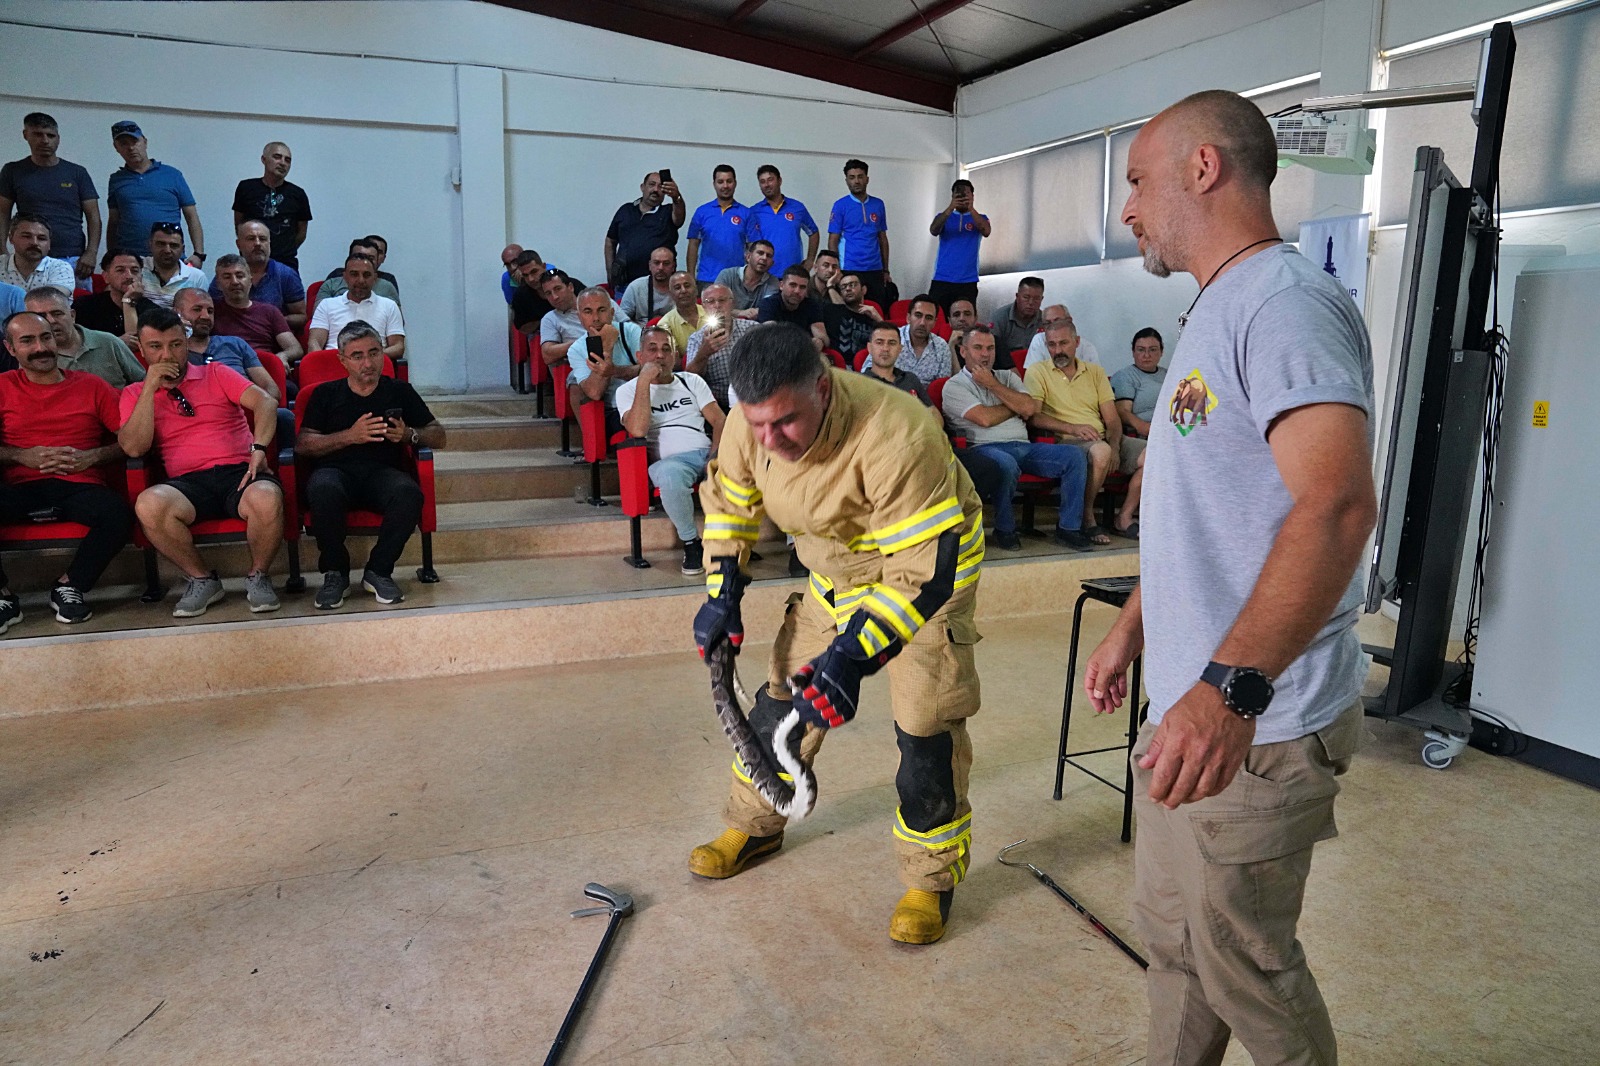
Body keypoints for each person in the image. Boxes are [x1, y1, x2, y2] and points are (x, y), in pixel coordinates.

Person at [1085, 89, 1378, 1066]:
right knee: (1176, 949)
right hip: (1190, 708)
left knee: (1246, 967)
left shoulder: (1283, 304)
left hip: (1257, 723)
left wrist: (1229, 693)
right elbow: (1214, 513)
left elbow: (1336, 507)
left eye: (1137, 181)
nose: (1128, 208)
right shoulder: (1218, 306)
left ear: (1203, 168)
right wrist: (1134, 625)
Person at [689, 324, 986, 946]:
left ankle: (930, 880)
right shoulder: (751, 420)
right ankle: (756, 823)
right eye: (758, 424)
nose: (769, 439)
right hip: (836, 572)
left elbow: (919, 572)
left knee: (925, 728)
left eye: (785, 422)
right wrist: (723, 591)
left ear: (822, 389)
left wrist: (853, 657)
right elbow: (731, 503)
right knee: (780, 700)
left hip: (928, 574)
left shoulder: (897, 432)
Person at [119, 307, 284, 618]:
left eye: (175, 344)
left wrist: (259, 449)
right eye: (155, 347)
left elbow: (265, 402)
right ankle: (202, 579)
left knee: (266, 495)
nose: (167, 355)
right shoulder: (133, 393)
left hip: (240, 472)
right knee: (148, 504)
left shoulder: (216, 372)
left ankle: (259, 575)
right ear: (141, 349)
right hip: (187, 483)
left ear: (186, 342)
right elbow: (134, 447)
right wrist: (149, 389)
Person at [297, 320, 446, 610]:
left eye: (374, 353)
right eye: (357, 356)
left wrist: (409, 435)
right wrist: (349, 436)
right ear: (343, 360)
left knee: (409, 494)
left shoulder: (399, 391)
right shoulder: (325, 394)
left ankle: (379, 570)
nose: (368, 363)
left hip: (382, 472)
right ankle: (335, 573)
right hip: (335, 471)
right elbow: (304, 444)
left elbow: (439, 435)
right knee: (323, 489)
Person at [0, 310, 132, 628]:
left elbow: (131, 442)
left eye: (45, 337)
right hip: (20, 485)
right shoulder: (2, 387)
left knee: (119, 514)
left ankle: (70, 586)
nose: (40, 347)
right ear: (10, 348)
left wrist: (94, 457)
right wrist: (21, 456)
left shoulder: (92, 386)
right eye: (27, 341)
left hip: (80, 483)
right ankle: (2, 596)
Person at [940, 325, 1092, 552]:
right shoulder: (954, 386)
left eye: (990, 348)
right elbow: (985, 419)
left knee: (1075, 455)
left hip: (1024, 446)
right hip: (984, 448)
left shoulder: (1007, 377)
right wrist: (1015, 405)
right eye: (978, 348)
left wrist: (993, 384)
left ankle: (1069, 528)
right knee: (1006, 464)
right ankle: (1005, 529)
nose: (985, 354)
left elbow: (1030, 408)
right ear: (963, 351)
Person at [616, 325, 725, 575]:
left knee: (741, 469)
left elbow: (720, 421)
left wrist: (715, 457)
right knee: (670, 477)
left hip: (706, 452)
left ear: (675, 356)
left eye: (666, 349)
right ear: (639, 356)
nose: (660, 355)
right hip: (671, 463)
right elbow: (637, 429)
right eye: (652, 349)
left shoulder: (691, 381)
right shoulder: (627, 391)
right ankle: (692, 543)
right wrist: (644, 381)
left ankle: (733, 542)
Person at [1024, 320, 1129, 546]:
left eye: (1063, 343)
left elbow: (1112, 419)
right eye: (1052, 345)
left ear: (1077, 342)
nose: (1058, 350)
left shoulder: (1095, 372)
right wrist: (1073, 428)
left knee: (1151, 454)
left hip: (1101, 437)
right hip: (1067, 440)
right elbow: (1034, 417)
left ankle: (1125, 517)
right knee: (1101, 452)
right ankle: (1087, 516)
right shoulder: (1037, 371)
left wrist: (1116, 446)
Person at [0, 113, 101, 282]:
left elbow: (94, 216)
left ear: (58, 138)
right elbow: (3, 213)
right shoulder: (12, 171)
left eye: (50, 135)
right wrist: (2, 250)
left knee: (77, 300)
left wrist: (91, 252)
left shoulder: (77, 173)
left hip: (73, 258)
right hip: (28, 258)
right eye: (38, 134)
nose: (45, 140)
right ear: (26, 135)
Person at [106, 121, 203, 264]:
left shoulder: (172, 175)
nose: (131, 148)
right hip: (130, 260)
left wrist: (198, 254)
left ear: (145, 142)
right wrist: (111, 257)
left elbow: (191, 215)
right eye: (124, 143)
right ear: (116, 147)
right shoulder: (116, 180)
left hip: (170, 257)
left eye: (135, 141)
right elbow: (113, 222)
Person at [24, 286, 145, 389]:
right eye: (41, 316)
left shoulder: (109, 342)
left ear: (72, 316)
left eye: (57, 313)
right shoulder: (33, 357)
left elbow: (143, 384)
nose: (51, 320)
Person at [173, 290, 280, 403]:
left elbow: (271, 388)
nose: (206, 316)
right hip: (194, 410)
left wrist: (259, 404)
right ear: (176, 313)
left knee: (283, 413)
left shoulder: (235, 344)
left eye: (210, 311)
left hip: (244, 408)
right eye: (197, 309)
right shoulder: (170, 351)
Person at [568, 285, 643, 437]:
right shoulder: (576, 349)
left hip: (645, 402)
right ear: (579, 317)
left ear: (612, 313)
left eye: (601, 310)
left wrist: (614, 371)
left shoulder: (631, 331)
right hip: (614, 411)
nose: (596, 318)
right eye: (588, 311)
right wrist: (607, 348)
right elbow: (595, 393)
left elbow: (652, 369)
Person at [209, 221, 307, 329]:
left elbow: (301, 316)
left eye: (263, 239)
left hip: (271, 335)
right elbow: (211, 311)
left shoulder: (286, 275)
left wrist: (271, 320)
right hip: (230, 334)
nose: (258, 243)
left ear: (269, 243)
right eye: (251, 239)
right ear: (239, 244)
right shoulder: (227, 275)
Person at [232, 142, 311, 272]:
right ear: (264, 159)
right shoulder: (246, 188)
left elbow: (301, 233)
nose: (283, 163)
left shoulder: (298, 194)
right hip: (250, 263)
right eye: (277, 157)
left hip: (285, 264)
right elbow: (239, 224)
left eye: (287, 160)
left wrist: (284, 249)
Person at [307, 255, 405, 359]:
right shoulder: (326, 305)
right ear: (345, 277)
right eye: (354, 274)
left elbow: (398, 347)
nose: (361, 280)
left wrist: (369, 357)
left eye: (367, 275)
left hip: (373, 364)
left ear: (374, 278)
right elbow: (314, 343)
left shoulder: (389, 306)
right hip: (334, 362)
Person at [211, 254, 302, 364]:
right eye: (227, 277)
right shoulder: (210, 312)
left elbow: (295, 348)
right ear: (218, 284)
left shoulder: (270, 312)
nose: (235, 281)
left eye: (240, 276)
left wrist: (283, 356)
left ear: (250, 280)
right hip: (227, 367)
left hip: (264, 367)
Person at [827, 158, 891, 309]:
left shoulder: (878, 204)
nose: (856, 181)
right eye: (852, 177)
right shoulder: (840, 205)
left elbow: (882, 238)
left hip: (875, 269)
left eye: (860, 177)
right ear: (846, 181)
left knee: (877, 310)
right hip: (849, 268)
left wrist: (885, 270)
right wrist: (837, 270)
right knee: (849, 310)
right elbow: (833, 240)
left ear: (867, 179)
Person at [605, 171, 683, 290]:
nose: (656, 189)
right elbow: (610, 240)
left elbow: (679, 218)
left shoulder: (668, 211)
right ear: (642, 187)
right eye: (652, 184)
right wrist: (611, 272)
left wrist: (676, 197)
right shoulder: (626, 210)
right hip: (624, 284)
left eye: (660, 187)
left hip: (659, 285)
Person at [684, 283, 755, 410]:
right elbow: (690, 379)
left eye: (722, 300)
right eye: (711, 301)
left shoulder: (752, 329)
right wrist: (704, 353)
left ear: (732, 303)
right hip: (718, 405)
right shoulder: (697, 339)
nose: (717, 305)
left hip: (753, 398)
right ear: (704, 306)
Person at [927, 179, 989, 313]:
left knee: (965, 319)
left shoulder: (980, 217)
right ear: (952, 196)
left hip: (968, 280)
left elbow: (986, 231)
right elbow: (933, 230)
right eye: (958, 194)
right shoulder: (943, 216)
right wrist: (950, 208)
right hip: (942, 278)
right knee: (936, 316)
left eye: (966, 194)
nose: (962, 197)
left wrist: (971, 208)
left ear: (972, 196)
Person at [748, 164, 819, 275]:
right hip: (763, 275)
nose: (767, 185)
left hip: (793, 274)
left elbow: (813, 232)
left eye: (770, 180)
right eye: (762, 182)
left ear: (779, 181)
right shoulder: (753, 212)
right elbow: (750, 244)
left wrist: (810, 260)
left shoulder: (797, 208)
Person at [685, 165, 749, 288]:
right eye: (720, 182)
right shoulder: (702, 212)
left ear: (735, 183)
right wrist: (691, 277)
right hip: (706, 279)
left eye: (729, 181)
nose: (725, 186)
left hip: (736, 280)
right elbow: (693, 245)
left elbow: (752, 248)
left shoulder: (746, 213)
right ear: (714, 184)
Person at [72, 250, 154, 341]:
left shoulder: (152, 310)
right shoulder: (85, 306)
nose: (129, 276)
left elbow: (138, 343)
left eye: (134, 271)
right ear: (106, 277)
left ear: (141, 277)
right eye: (120, 270)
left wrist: (128, 301)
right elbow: (77, 342)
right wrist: (116, 342)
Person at [859, 321, 932, 410]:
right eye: (879, 342)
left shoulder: (910, 379)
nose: (885, 348)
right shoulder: (859, 384)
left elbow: (933, 412)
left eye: (892, 343)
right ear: (869, 348)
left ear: (900, 349)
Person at [882, 294, 953, 384]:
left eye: (929, 318)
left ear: (934, 323)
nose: (922, 323)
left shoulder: (941, 347)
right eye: (918, 315)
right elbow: (870, 375)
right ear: (908, 318)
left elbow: (941, 387)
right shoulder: (889, 338)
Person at [1110, 327, 1168, 438]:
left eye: (1153, 350)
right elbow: (1122, 412)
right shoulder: (1125, 376)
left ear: (1161, 352)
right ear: (1133, 352)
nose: (1147, 355)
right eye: (1141, 350)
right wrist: (1145, 428)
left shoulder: (1169, 375)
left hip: (1175, 428)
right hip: (1148, 434)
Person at [755, 266, 827, 352]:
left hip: (804, 352)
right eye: (793, 285)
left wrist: (819, 341)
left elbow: (823, 337)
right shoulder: (768, 304)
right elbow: (771, 336)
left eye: (802, 287)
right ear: (781, 285)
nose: (797, 291)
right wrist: (804, 342)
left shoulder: (812, 305)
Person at [0, 215, 75, 295]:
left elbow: (52, 300)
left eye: (41, 238)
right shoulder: (1, 264)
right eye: (27, 236)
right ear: (11, 238)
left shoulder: (60, 268)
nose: (34, 243)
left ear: (49, 243)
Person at [315, 237, 399, 308]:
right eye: (358, 256)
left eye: (370, 258)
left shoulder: (388, 287)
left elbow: (395, 319)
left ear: (378, 260)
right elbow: (319, 314)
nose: (363, 262)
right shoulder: (331, 283)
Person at [140, 221, 206, 308]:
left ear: (183, 249)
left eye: (173, 245)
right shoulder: (137, 268)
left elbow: (201, 311)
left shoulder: (197, 277)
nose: (167, 250)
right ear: (150, 245)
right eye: (161, 244)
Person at [822, 271, 882, 358]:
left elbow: (892, 340)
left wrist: (879, 319)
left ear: (863, 290)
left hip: (867, 363)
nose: (848, 289)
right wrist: (830, 286)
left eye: (852, 285)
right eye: (843, 287)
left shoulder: (872, 316)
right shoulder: (832, 312)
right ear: (840, 294)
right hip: (840, 364)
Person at [1023, 304, 1103, 370]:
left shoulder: (1087, 347)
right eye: (1047, 323)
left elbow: (1095, 377)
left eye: (1057, 321)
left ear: (1069, 320)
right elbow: (1032, 375)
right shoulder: (1039, 340)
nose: (1053, 326)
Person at [713, 239, 778, 317]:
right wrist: (740, 313)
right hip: (725, 321)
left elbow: (768, 309)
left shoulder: (773, 281)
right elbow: (714, 306)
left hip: (756, 324)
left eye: (769, 256)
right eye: (760, 253)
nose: (764, 258)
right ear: (748, 257)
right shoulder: (727, 275)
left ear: (772, 263)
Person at [988, 277, 1045, 362]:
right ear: (1017, 297)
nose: (1031, 302)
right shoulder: (1000, 317)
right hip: (1006, 365)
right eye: (1026, 297)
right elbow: (991, 349)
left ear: (1042, 299)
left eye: (1036, 298)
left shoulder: (1045, 320)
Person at [619, 246, 678, 324]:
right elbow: (621, 319)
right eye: (656, 263)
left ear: (673, 266)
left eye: (666, 263)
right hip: (641, 329)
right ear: (650, 265)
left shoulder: (681, 287)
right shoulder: (636, 287)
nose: (661, 267)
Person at [655, 270, 704, 356]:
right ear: (670, 294)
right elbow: (674, 360)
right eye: (677, 288)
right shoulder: (665, 324)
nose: (683, 290)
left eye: (687, 286)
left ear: (696, 290)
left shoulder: (711, 312)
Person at [509, 250, 552, 337]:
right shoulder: (521, 296)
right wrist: (548, 320)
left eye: (534, 272)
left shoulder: (565, 283)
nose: (531, 279)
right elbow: (522, 328)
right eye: (525, 275)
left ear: (544, 266)